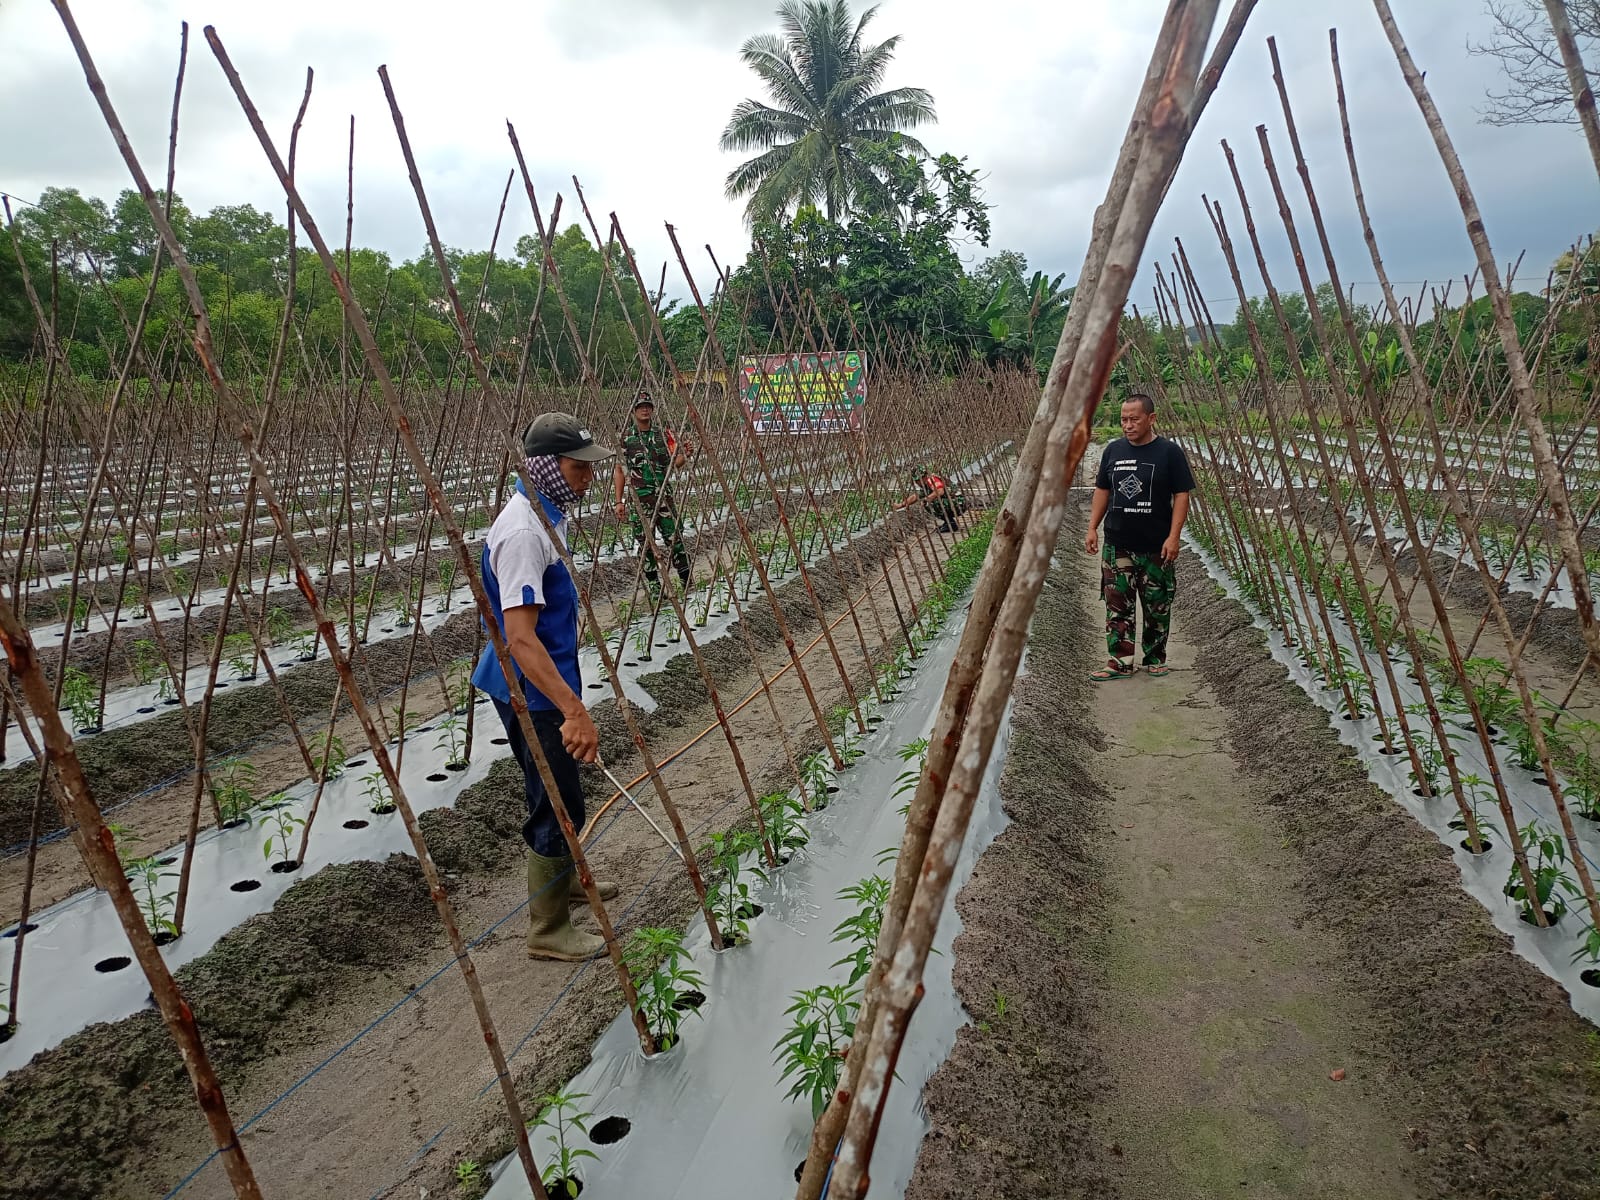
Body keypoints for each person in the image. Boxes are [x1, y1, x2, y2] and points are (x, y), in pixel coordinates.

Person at [472, 412, 619, 962]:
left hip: (544, 684)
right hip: (530, 690)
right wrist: (573, 709)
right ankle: (548, 929)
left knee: (566, 793)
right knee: (555, 802)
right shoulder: (522, 532)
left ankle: (569, 884)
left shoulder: (544, 516)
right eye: (578, 467)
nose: (588, 475)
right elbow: (520, 640)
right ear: (545, 467)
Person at [1083, 393, 1194, 680]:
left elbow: (1181, 495)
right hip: (1118, 543)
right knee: (1117, 603)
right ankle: (1120, 662)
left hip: (1156, 545)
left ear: (1151, 419)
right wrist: (1093, 526)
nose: (1128, 425)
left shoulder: (1169, 453)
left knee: (1157, 604)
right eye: (1123, 420)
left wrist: (1174, 536)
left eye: (1134, 419)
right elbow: (1103, 491)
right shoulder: (1113, 451)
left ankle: (1155, 657)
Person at [613, 389, 693, 600]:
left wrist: (684, 455)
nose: (645, 410)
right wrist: (618, 501)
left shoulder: (662, 435)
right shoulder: (626, 438)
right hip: (640, 500)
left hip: (663, 497)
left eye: (648, 406)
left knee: (675, 540)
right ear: (634, 411)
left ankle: (687, 584)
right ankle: (656, 589)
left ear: (653, 410)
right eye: (640, 407)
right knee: (646, 545)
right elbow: (619, 470)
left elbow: (673, 465)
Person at [893, 464, 968, 532]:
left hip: (958, 503)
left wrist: (926, 499)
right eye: (916, 480)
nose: (917, 483)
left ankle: (951, 524)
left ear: (924, 476)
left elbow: (939, 491)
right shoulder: (926, 485)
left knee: (930, 503)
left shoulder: (931, 479)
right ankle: (948, 522)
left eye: (918, 480)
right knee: (930, 501)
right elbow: (915, 496)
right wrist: (901, 505)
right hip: (954, 503)